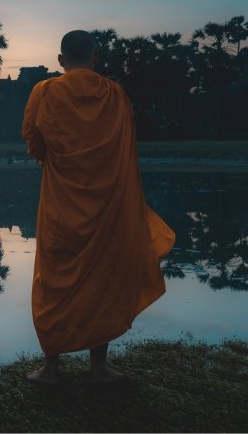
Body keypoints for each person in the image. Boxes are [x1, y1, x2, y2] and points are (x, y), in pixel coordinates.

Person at [21, 30, 175, 384]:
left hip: (61, 206)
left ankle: (51, 368)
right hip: (107, 207)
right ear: (95, 58)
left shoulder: (45, 92)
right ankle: (98, 368)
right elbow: (125, 149)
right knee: (103, 280)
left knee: (53, 281)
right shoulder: (115, 95)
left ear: (61, 60)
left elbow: (35, 144)